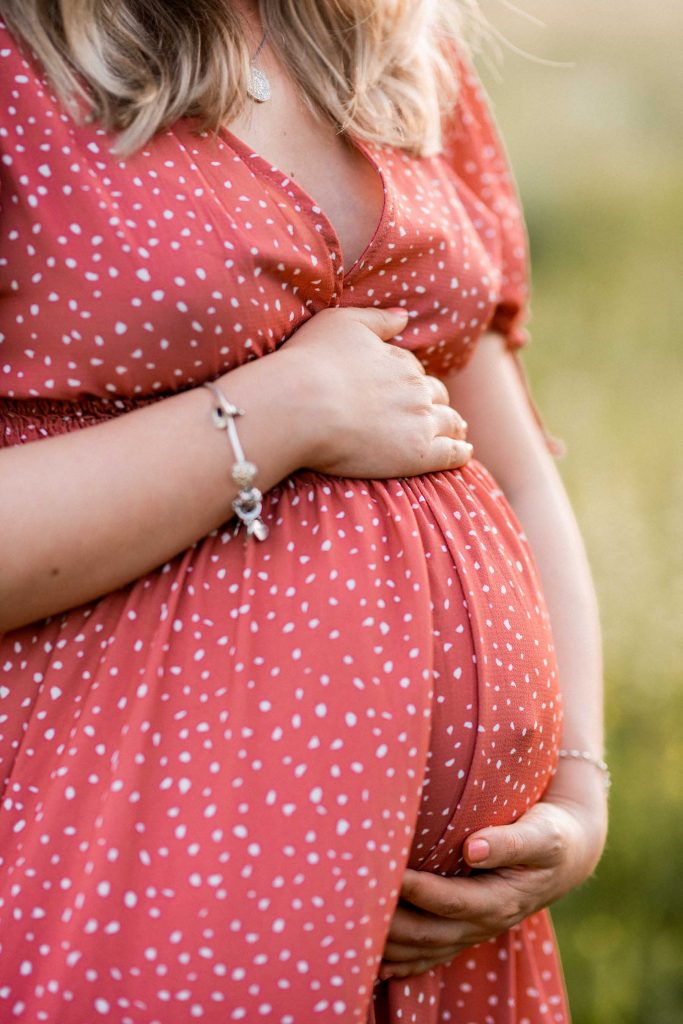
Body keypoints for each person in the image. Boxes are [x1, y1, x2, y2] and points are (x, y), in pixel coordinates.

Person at [0, 1, 609, 1021]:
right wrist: (276, 415)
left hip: (442, 953)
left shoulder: (389, 48)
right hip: (140, 884)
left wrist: (576, 796)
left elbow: (513, 477)